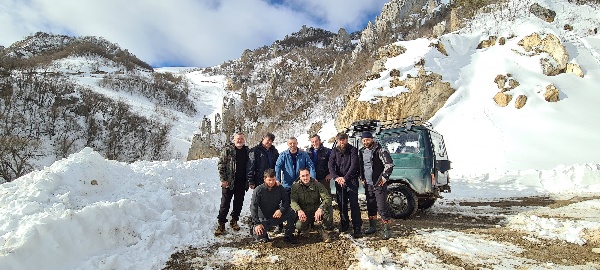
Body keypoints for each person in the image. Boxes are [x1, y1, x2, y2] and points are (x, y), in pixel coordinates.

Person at [274, 136, 315, 233]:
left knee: (300, 204)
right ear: (288, 144)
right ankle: (279, 225)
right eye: (290, 143)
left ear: (297, 143)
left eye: (294, 143)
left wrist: (312, 178)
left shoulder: (303, 154)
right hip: (287, 185)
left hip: (300, 184)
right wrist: (277, 179)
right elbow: (277, 167)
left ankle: (300, 223)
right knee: (283, 205)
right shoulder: (283, 155)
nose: (292, 145)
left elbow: (310, 165)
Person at [358, 131, 395, 240]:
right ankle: (372, 227)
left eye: (367, 140)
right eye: (363, 140)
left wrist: (383, 178)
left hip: (378, 183)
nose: (365, 142)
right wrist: (362, 178)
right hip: (368, 184)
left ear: (372, 139)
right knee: (371, 206)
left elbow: (389, 165)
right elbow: (361, 166)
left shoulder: (380, 150)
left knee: (382, 206)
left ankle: (387, 229)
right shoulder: (361, 151)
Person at [250, 168, 298, 244]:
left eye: (273, 179)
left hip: (275, 216)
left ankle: (289, 234)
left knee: (292, 212)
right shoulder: (258, 190)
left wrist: (281, 210)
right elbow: (253, 207)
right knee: (258, 235)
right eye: (269, 180)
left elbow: (286, 201)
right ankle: (260, 233)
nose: (272, 182)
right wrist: (257, 223)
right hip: (263, 219)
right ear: (264, 179)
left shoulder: (279, 188)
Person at [328, 132, 362, 238]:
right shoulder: (334, 151)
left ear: (346, 139)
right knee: (342, 204)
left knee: (354, 204)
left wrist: (345, 178)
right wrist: (336, 177)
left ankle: (357, 227)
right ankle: (344, 225)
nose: (341, 142)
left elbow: (354, 165)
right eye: (339, 140)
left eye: (343, 139)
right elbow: (331, 165)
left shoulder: (352, 150)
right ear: (337, 141)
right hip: (339, 181)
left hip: (350, 181)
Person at [215, 132, 249, 236]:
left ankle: (234, 221)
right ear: (234, 140)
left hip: (242, 182)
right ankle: (221, 224)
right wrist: (223, 179)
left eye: (242, 139)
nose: (240, 140)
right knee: (225, 204)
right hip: (229, 182)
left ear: (244, 140)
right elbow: (221, 164)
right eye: (238, 139)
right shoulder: (228, 150)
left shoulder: (247, 151)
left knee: (238, 203)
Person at [291, 167, 334, 242]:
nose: (305, 178)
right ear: (300, 177)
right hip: (305, 213)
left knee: (328, 209)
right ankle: (307, 227)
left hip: (316, 211)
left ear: (310, 175)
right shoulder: (295, 186)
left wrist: (320, 208)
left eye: (307, 175)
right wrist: (299, 210)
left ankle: (323, 229)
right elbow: (293, 201)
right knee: (299, 225)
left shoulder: (317, 184)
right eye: (303, 176)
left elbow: (327, 198)